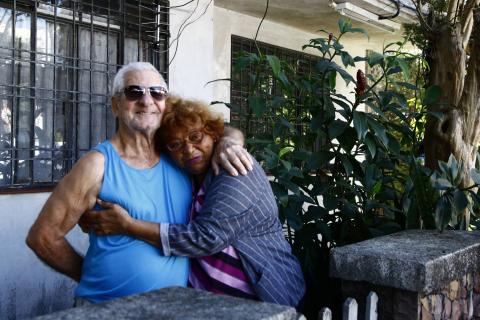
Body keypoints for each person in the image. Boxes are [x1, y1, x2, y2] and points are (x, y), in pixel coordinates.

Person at [26, 62, 252, 304]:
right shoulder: (97, 165)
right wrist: (91, 276)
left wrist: (231, 141)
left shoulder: (178, 155)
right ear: (116, 104)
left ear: (164, 103)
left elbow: (215, 130)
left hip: (174, 308)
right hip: (107, 310)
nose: (146, 100)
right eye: (134, 92)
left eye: (156, 92)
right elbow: (43, 236)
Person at [81, 96, 306, 307]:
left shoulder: (234, 170)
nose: (188, 149)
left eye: (196, 138)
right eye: (175, 145)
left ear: (214, 135)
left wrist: (128, 226)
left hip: (261, 298)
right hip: (206, 304)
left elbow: (206, 238)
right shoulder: (188, 175)